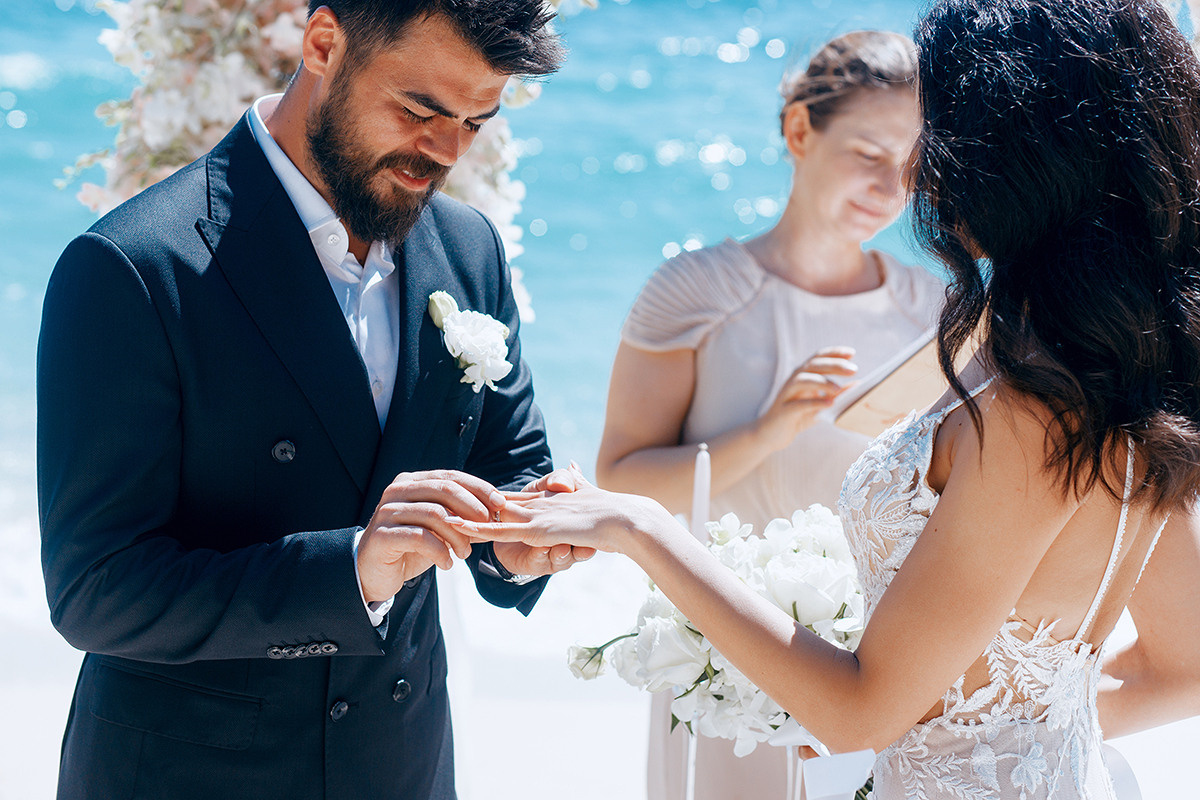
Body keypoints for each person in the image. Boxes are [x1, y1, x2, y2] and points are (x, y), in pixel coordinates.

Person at [458, 1, 1200, 797]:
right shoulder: (1111, 368)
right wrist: (982, 739)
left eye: (937, 133)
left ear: (1014, 156)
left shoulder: (1028, 405)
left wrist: (635, 527)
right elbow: (1183, 662)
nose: (919, 173)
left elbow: (857, 712)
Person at [36, 2, 593, 798]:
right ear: (325, 43)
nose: (444, 153)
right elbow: (96, 590)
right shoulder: (131, 267)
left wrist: (520, 537)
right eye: (419, 110)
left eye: (474, 123)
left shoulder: (468, 247)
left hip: (401, 763)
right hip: (189, 774)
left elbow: (508, 463)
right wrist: (350, 574)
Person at [594, 31, 943, 799]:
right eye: (869, 152)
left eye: (912, 166)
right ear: (798, 131)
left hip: (875, 664)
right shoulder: (694, 290)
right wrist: (770, 430)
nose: (891, 187)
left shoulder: (935, 309)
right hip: (724, 649)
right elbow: (619, 478)